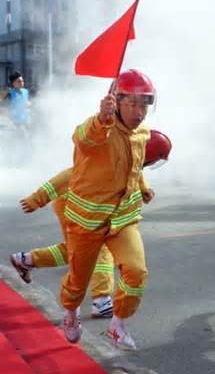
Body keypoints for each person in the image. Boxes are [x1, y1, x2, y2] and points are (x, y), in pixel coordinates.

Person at [9, 129, 171, 319]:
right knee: (98, 247)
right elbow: (69, 175)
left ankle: (26, 260)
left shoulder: (130, 156)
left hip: (93, 208)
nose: (149, 164)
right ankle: (101, 300)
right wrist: (37, 198)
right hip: (71, 204)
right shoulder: (108, 160)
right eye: (151, 160)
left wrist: (145, 189)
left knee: (78, 250)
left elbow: (135, 172)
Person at [58, 69, 155, 349]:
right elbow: (82, 140)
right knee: (77, 282)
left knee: (136, 272)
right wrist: (102, 119)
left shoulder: (143, 133)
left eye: (144, 104)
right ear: (117, 100)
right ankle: (70, 311)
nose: (139, 112)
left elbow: (133, 165)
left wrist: (142, 186)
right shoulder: (99, 129)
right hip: (86, 222)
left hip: (123, 220)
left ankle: (118, 324)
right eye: (133, 104)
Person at [2, 71, 31, 137]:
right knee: (22, 136)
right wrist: (11, 118)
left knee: (28, 137)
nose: (22, 83)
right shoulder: (10, 94)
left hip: (26, 119)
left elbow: (27, 102)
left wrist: (29, 104)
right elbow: (4, 107)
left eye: (22, 81)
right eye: (19, 81)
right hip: (15, 122)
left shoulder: (25, 91)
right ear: (14, 83)